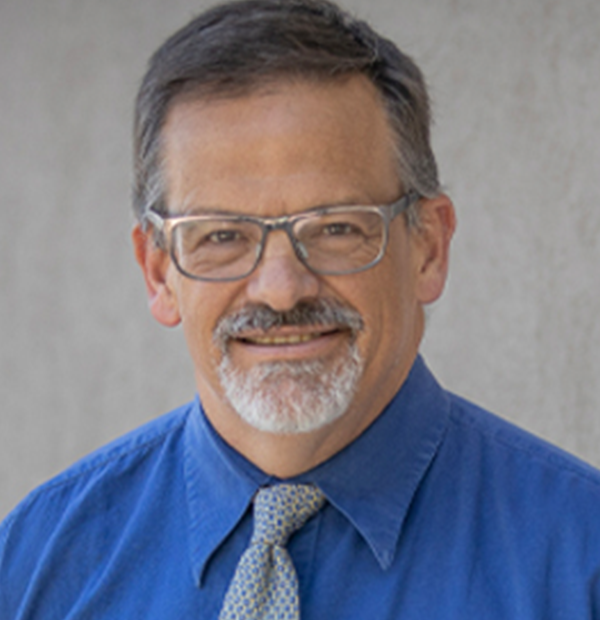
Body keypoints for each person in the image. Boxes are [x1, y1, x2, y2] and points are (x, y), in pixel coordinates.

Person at [1, 0, 599, 617]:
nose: (281, 290)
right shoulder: (36, 566)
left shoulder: (581, 564)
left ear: (428, 248)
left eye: (336, 228)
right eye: (222, 235)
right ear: (159, 271)